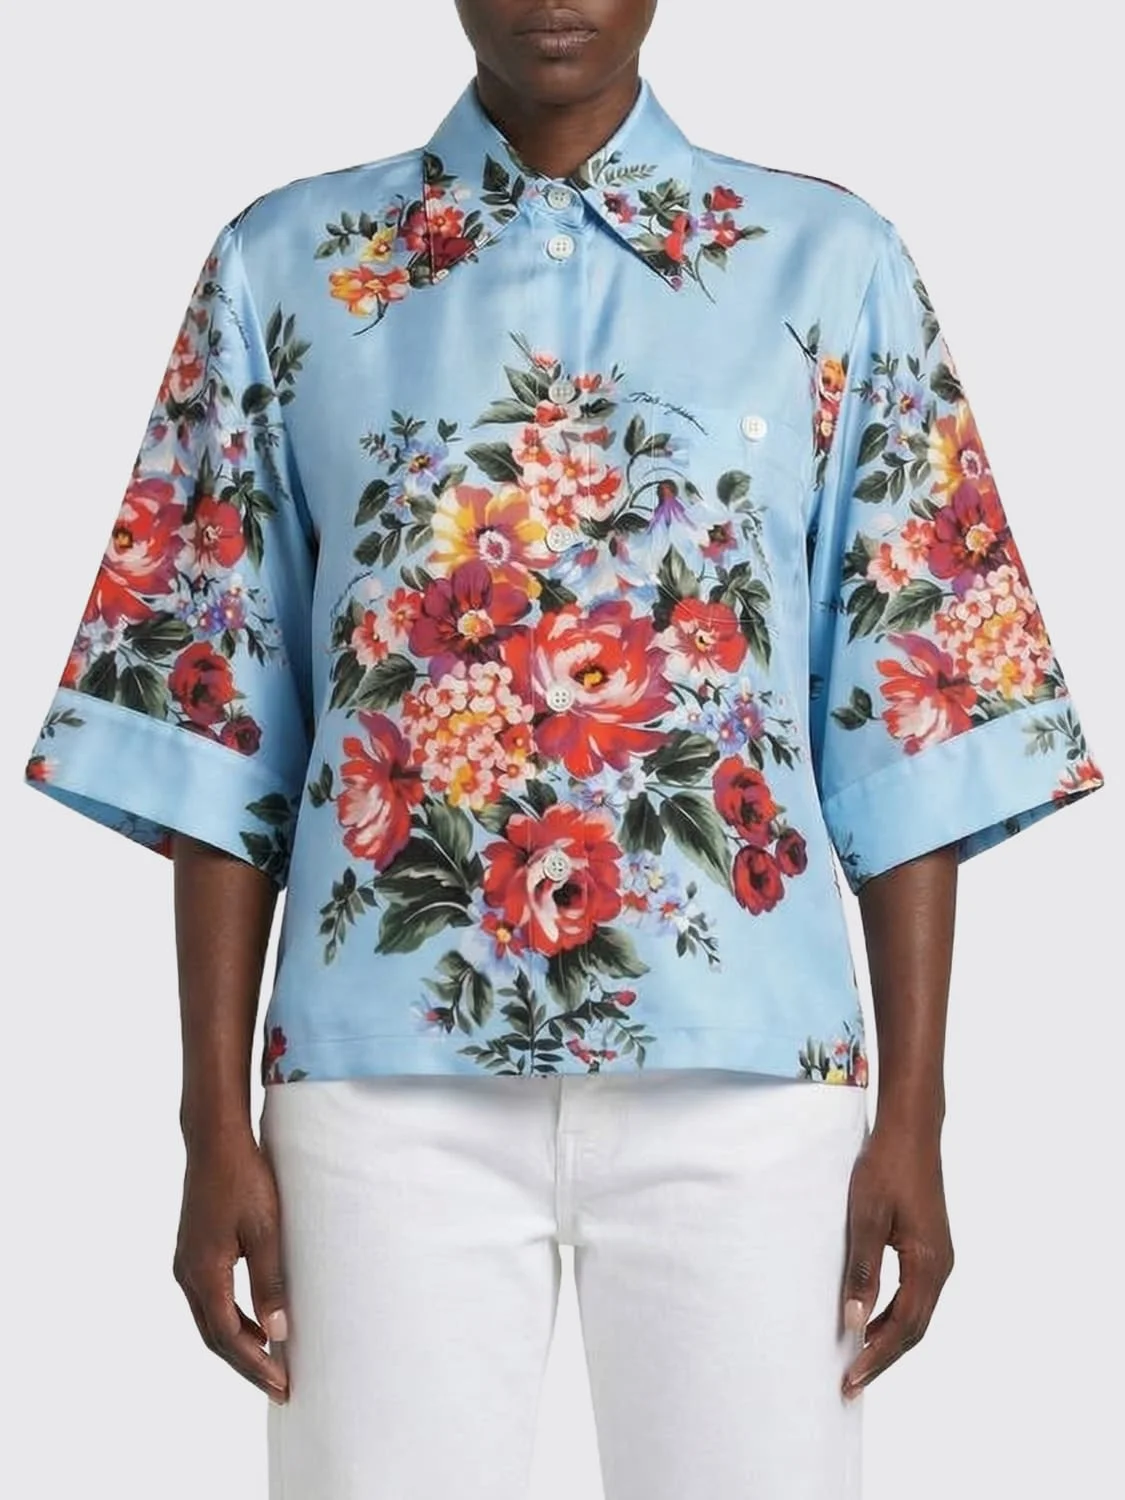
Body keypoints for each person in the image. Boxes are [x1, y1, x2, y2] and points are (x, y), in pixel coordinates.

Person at [22, 3, 1105, 1497]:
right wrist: (211, 1121)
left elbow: (913, 713)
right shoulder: (288, 269)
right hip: (376, 1087)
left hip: (751, 1081)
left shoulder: (829, 265)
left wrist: (916, 1113)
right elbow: (222, 717)